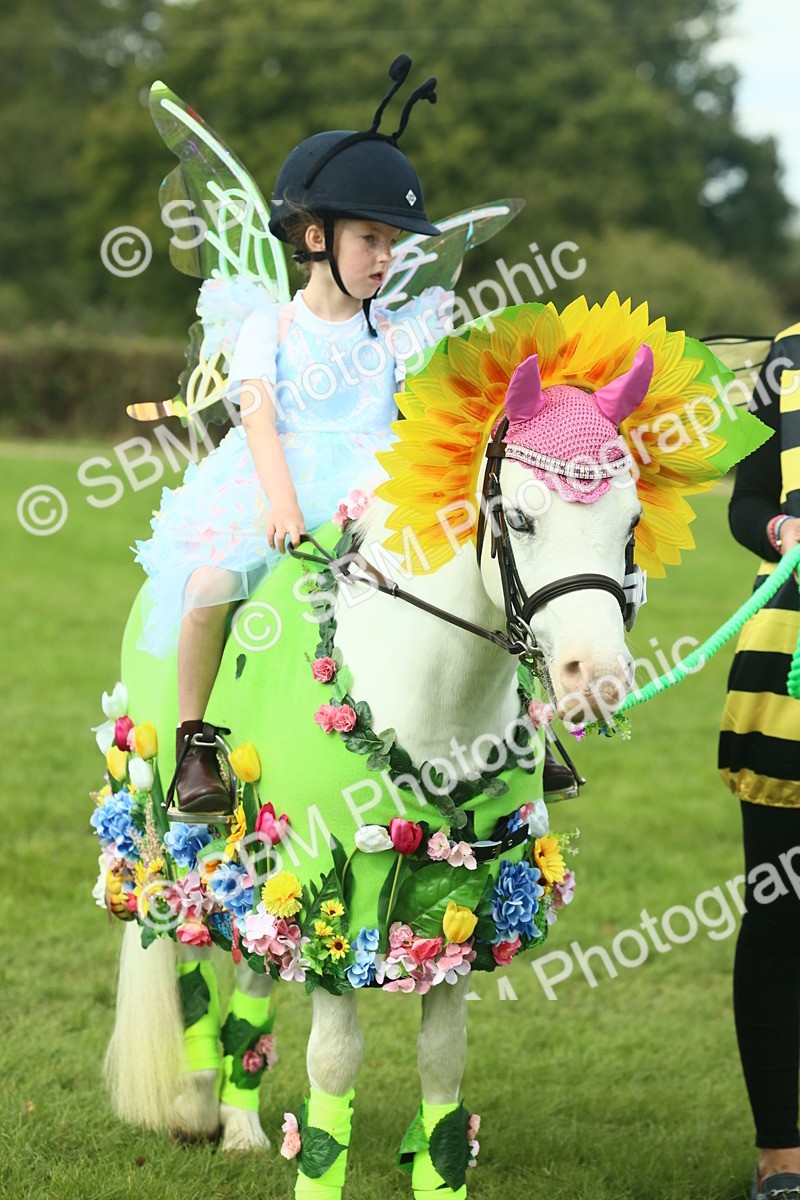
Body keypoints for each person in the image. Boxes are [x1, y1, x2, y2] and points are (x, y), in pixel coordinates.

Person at [134, 63, 448, 821]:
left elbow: (417, 420)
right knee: (208, 589)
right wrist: (280, 506)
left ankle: (519, 729)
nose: (385, 257)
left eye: (393, 243)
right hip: (274, 484)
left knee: (472, 582)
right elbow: (259, 416)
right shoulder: (264, 325)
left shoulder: (402, 333)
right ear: (317, 236)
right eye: (370, 238)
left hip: (374, 487)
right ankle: (195, 748)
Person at [719, 323, 800, 1200]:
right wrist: (778, 525)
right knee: (781, 913)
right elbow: (746, 503)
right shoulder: (787, 357)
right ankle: (783, 1151)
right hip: (788, 675)